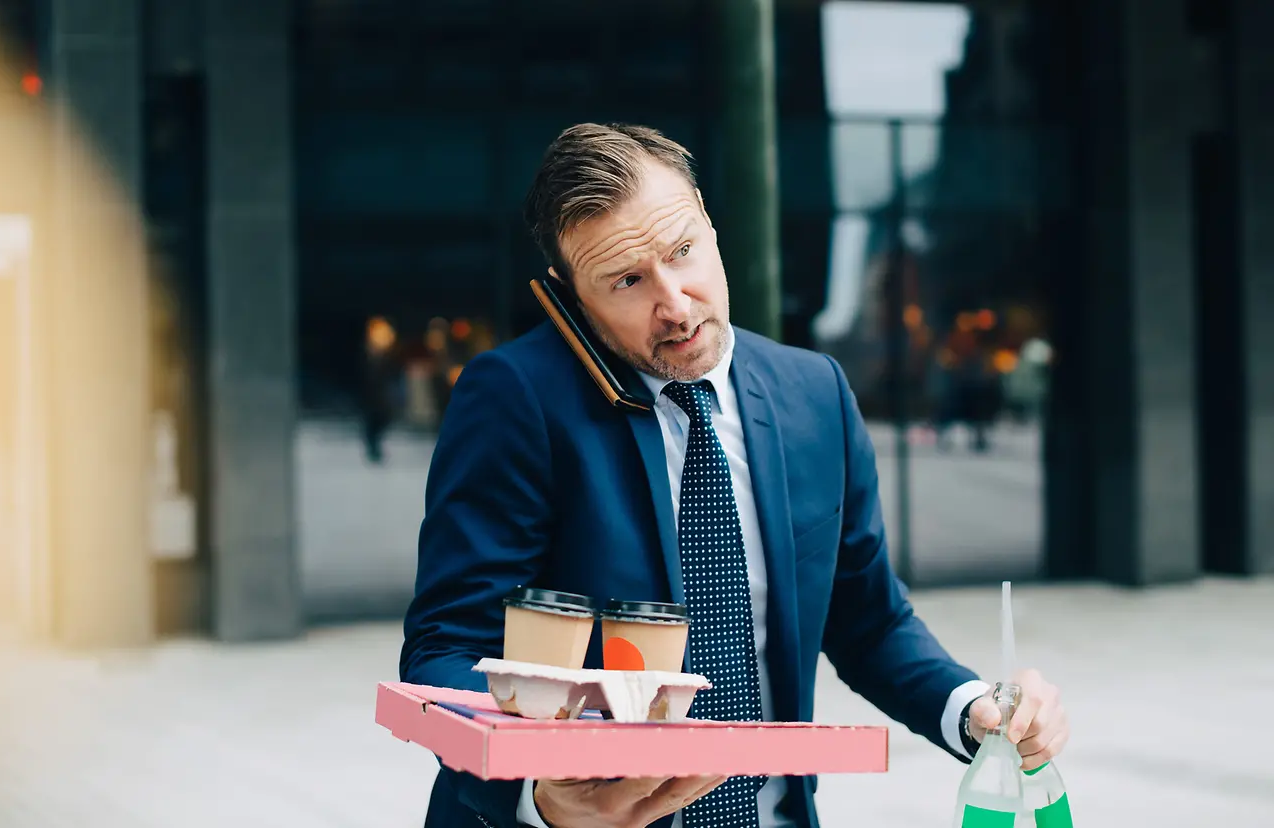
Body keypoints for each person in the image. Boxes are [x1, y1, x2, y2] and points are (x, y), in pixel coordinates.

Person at [399, 123, 1070, 828]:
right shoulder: (513, 397)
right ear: (570, 295)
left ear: (711, 226)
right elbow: (446, 650)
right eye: (627, 281)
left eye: (684, 251)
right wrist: (536, 794)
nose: (676, 304)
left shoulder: (815, 391)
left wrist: (974, 711)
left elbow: (870, 623)